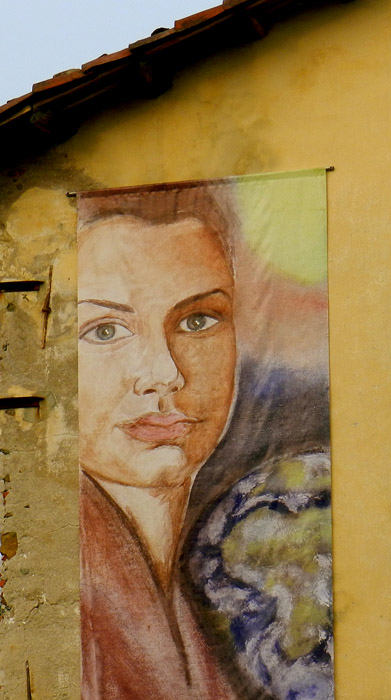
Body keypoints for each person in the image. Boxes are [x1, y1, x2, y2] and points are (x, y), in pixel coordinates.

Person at [78, 185, 241, 700]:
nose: (163, 374)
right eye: (105, 331)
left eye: (197, 321)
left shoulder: (194, 601)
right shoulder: (65, 588)